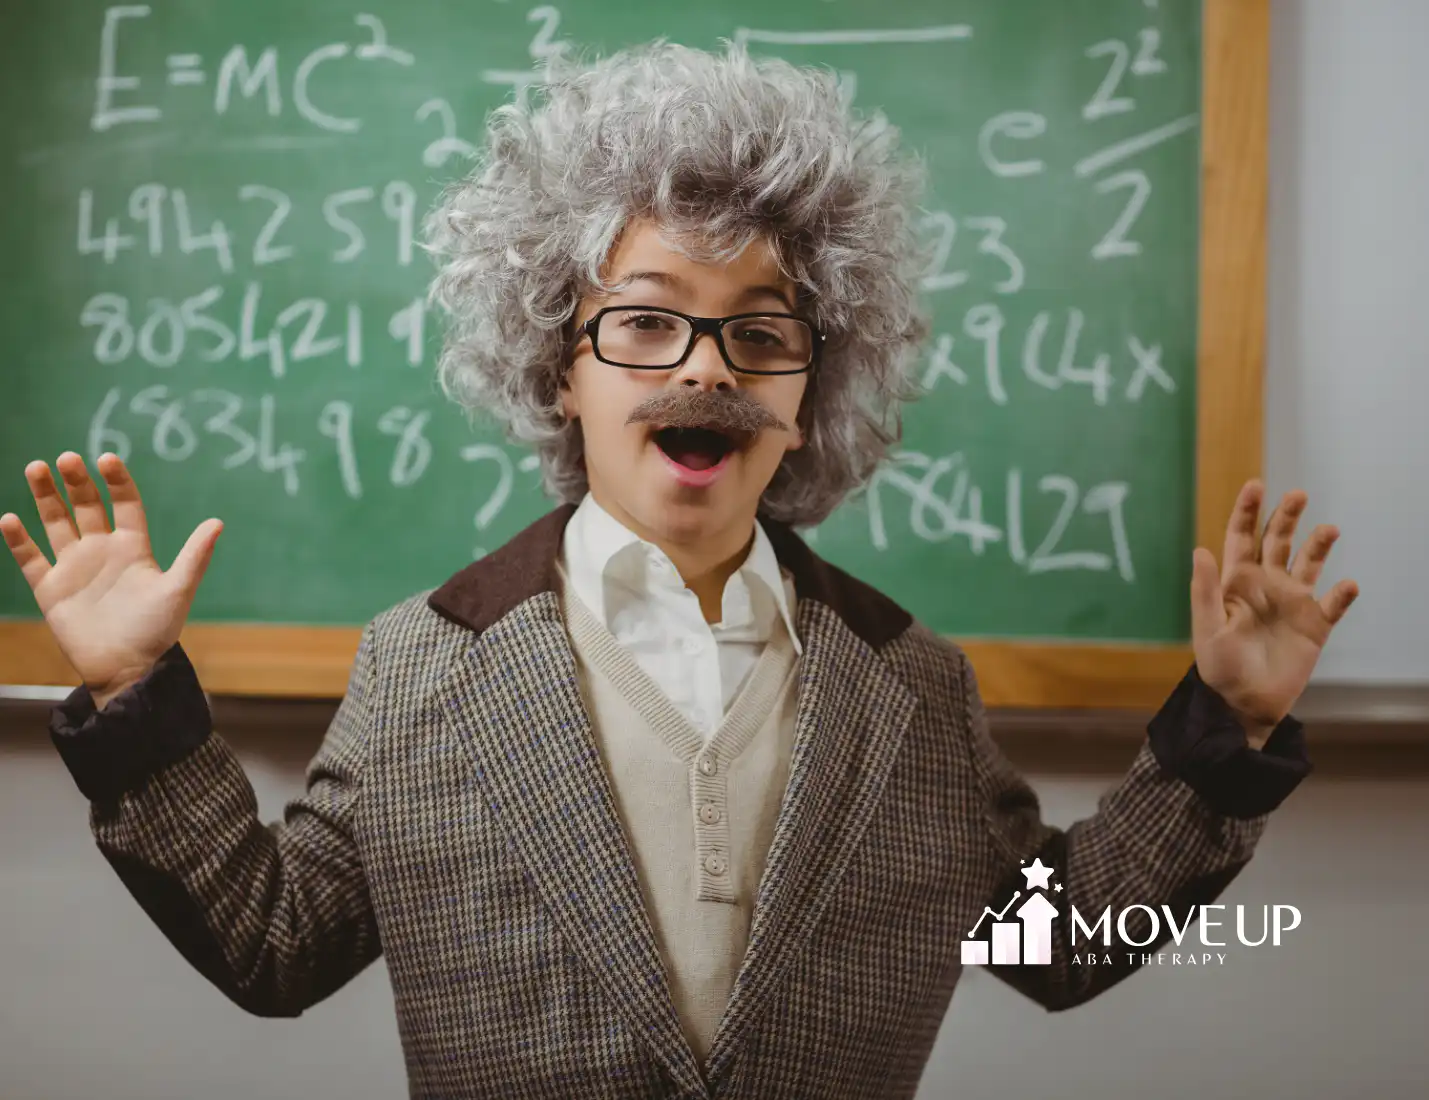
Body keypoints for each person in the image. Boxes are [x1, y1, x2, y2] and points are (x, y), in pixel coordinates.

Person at [1, 38, 1358, 1100]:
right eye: (645, 324)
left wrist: (1223, 727)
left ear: (814, 391)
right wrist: (134, 692)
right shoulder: (424, 669)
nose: (706, 365)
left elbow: (1052, 943)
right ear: (561, 369)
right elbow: (274, 942)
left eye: (759, 335)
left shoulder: (913, 693)